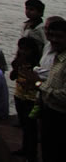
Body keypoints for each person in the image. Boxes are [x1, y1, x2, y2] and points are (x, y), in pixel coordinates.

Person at [37, 17, 66, 162]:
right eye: (51, 35)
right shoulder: (56, 55)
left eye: (59, 37)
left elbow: (64, 96)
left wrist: (38, 85)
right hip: (49, 110)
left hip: (60, 116)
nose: (54, 39)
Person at [9, 36, 42, 162]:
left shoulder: (37, 65)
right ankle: (24, 148)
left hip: (31, 99)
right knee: (24, 124)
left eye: (26, 50)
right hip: (19, 95)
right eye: (21, 49)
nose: (23, 52)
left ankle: (31, 154)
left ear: (32, 50)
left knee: (30, 127)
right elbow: (12, 77)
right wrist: (17, 66)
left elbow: (38, 82)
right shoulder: (19, 61)